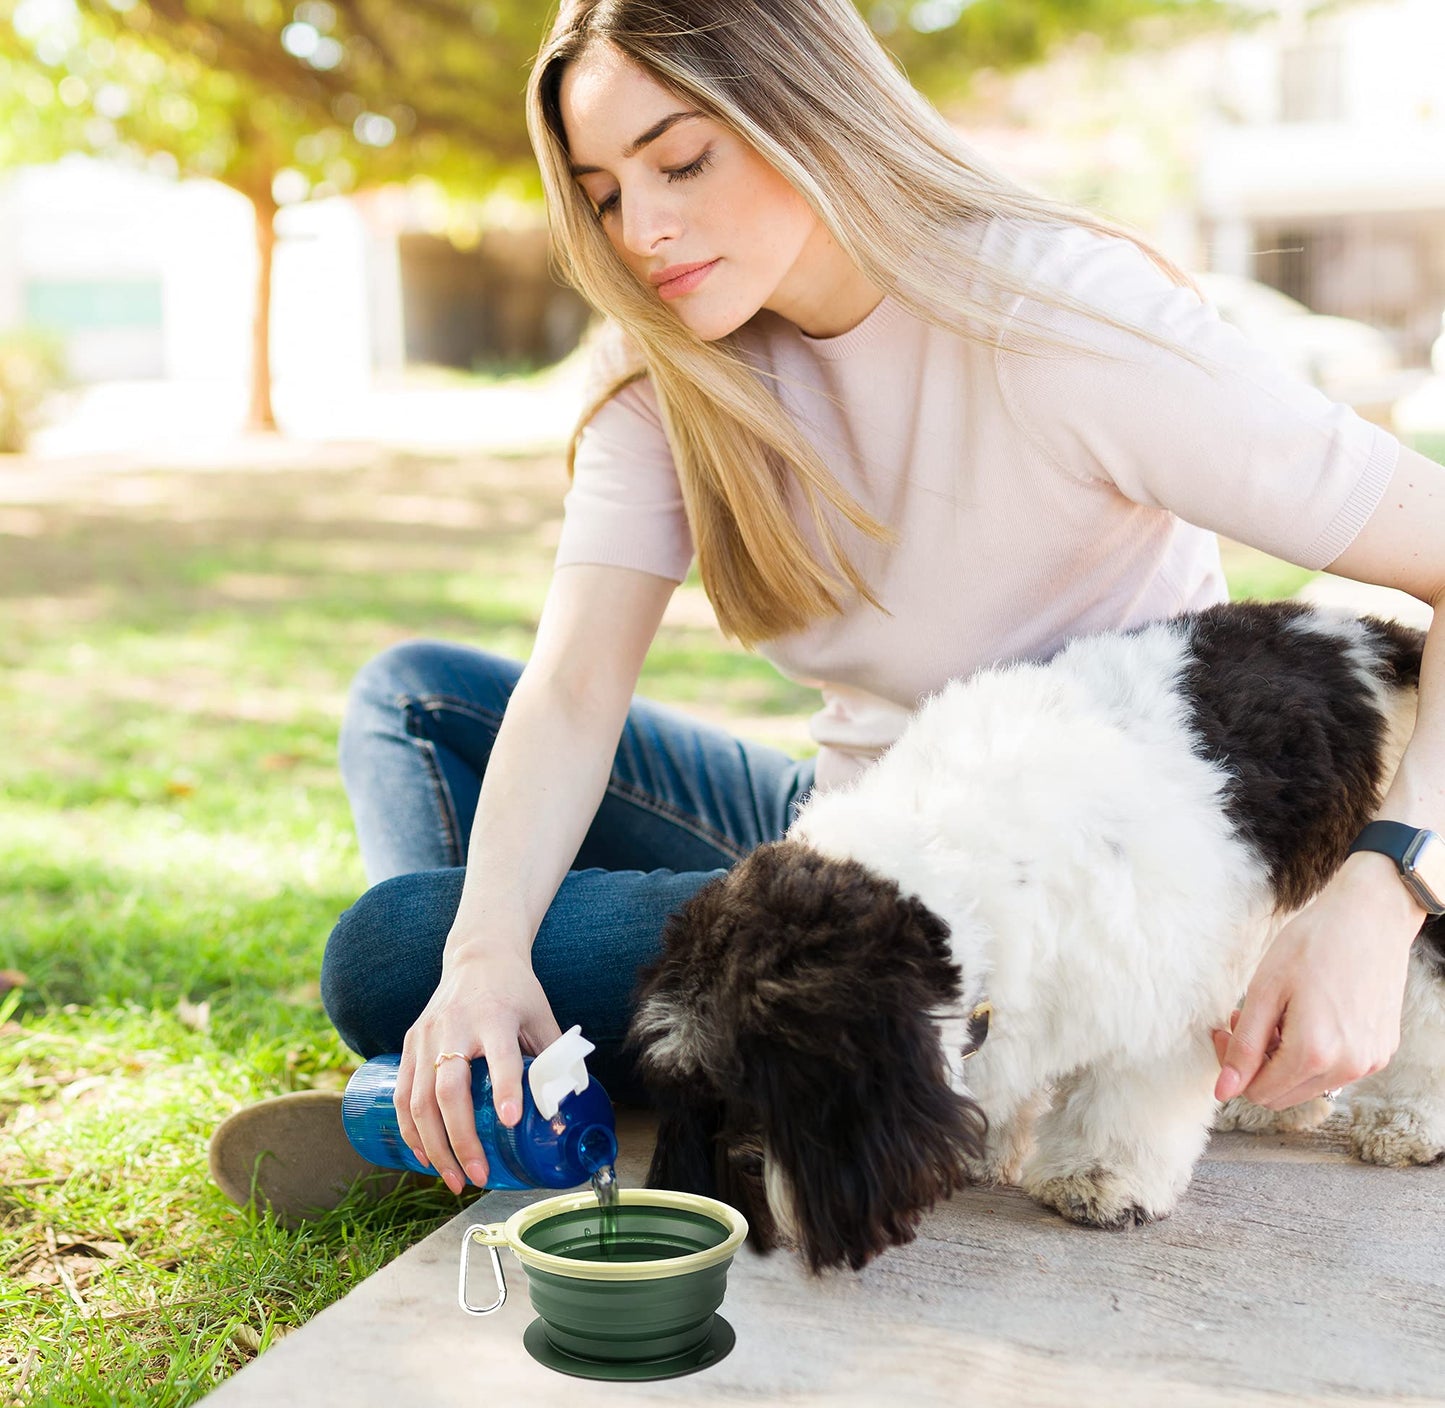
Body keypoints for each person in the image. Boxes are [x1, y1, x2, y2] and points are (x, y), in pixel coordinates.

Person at [212, 0, 1445, 1218]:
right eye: (601, 193)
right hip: (837, 827)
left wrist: (1383, 885)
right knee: (414, 706)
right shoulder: (667, 365)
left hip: (1028, 910)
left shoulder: (1064, 317)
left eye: (679, 160)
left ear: (806, 112)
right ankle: (484, 1064)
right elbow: (575, 687)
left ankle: (661, 1076)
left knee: (386, 949)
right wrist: (482, 961)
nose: (640, 228)